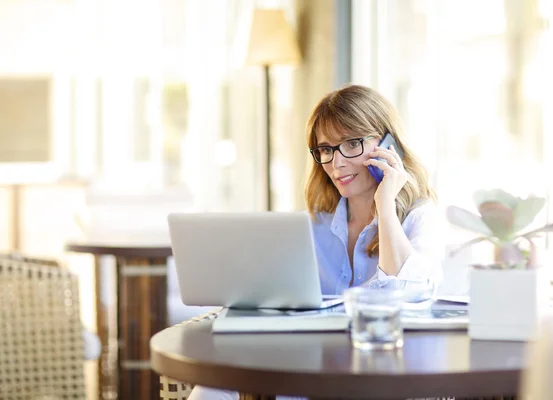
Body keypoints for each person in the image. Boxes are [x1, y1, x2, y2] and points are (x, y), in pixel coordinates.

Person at [188, 84, 443, 400]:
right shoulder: (310, 223)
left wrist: (386, 203)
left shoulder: (420, 217)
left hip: (383, 378)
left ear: (388, 145)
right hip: (309, 369)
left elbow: (401, 295)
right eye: (326, 149)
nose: (337, 163)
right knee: (212, 388)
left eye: (351, 143)